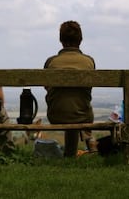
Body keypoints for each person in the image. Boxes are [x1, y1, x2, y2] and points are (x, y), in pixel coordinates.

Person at [44, 21, 97, 157]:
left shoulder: (51, 62)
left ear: (61, 39)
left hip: (56, 115)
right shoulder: (89, 61)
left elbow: (47, 87)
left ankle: (70, 154)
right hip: (82, 115)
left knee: (68, 104)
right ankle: (89, 145)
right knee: (80, 106)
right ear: (80, 39)